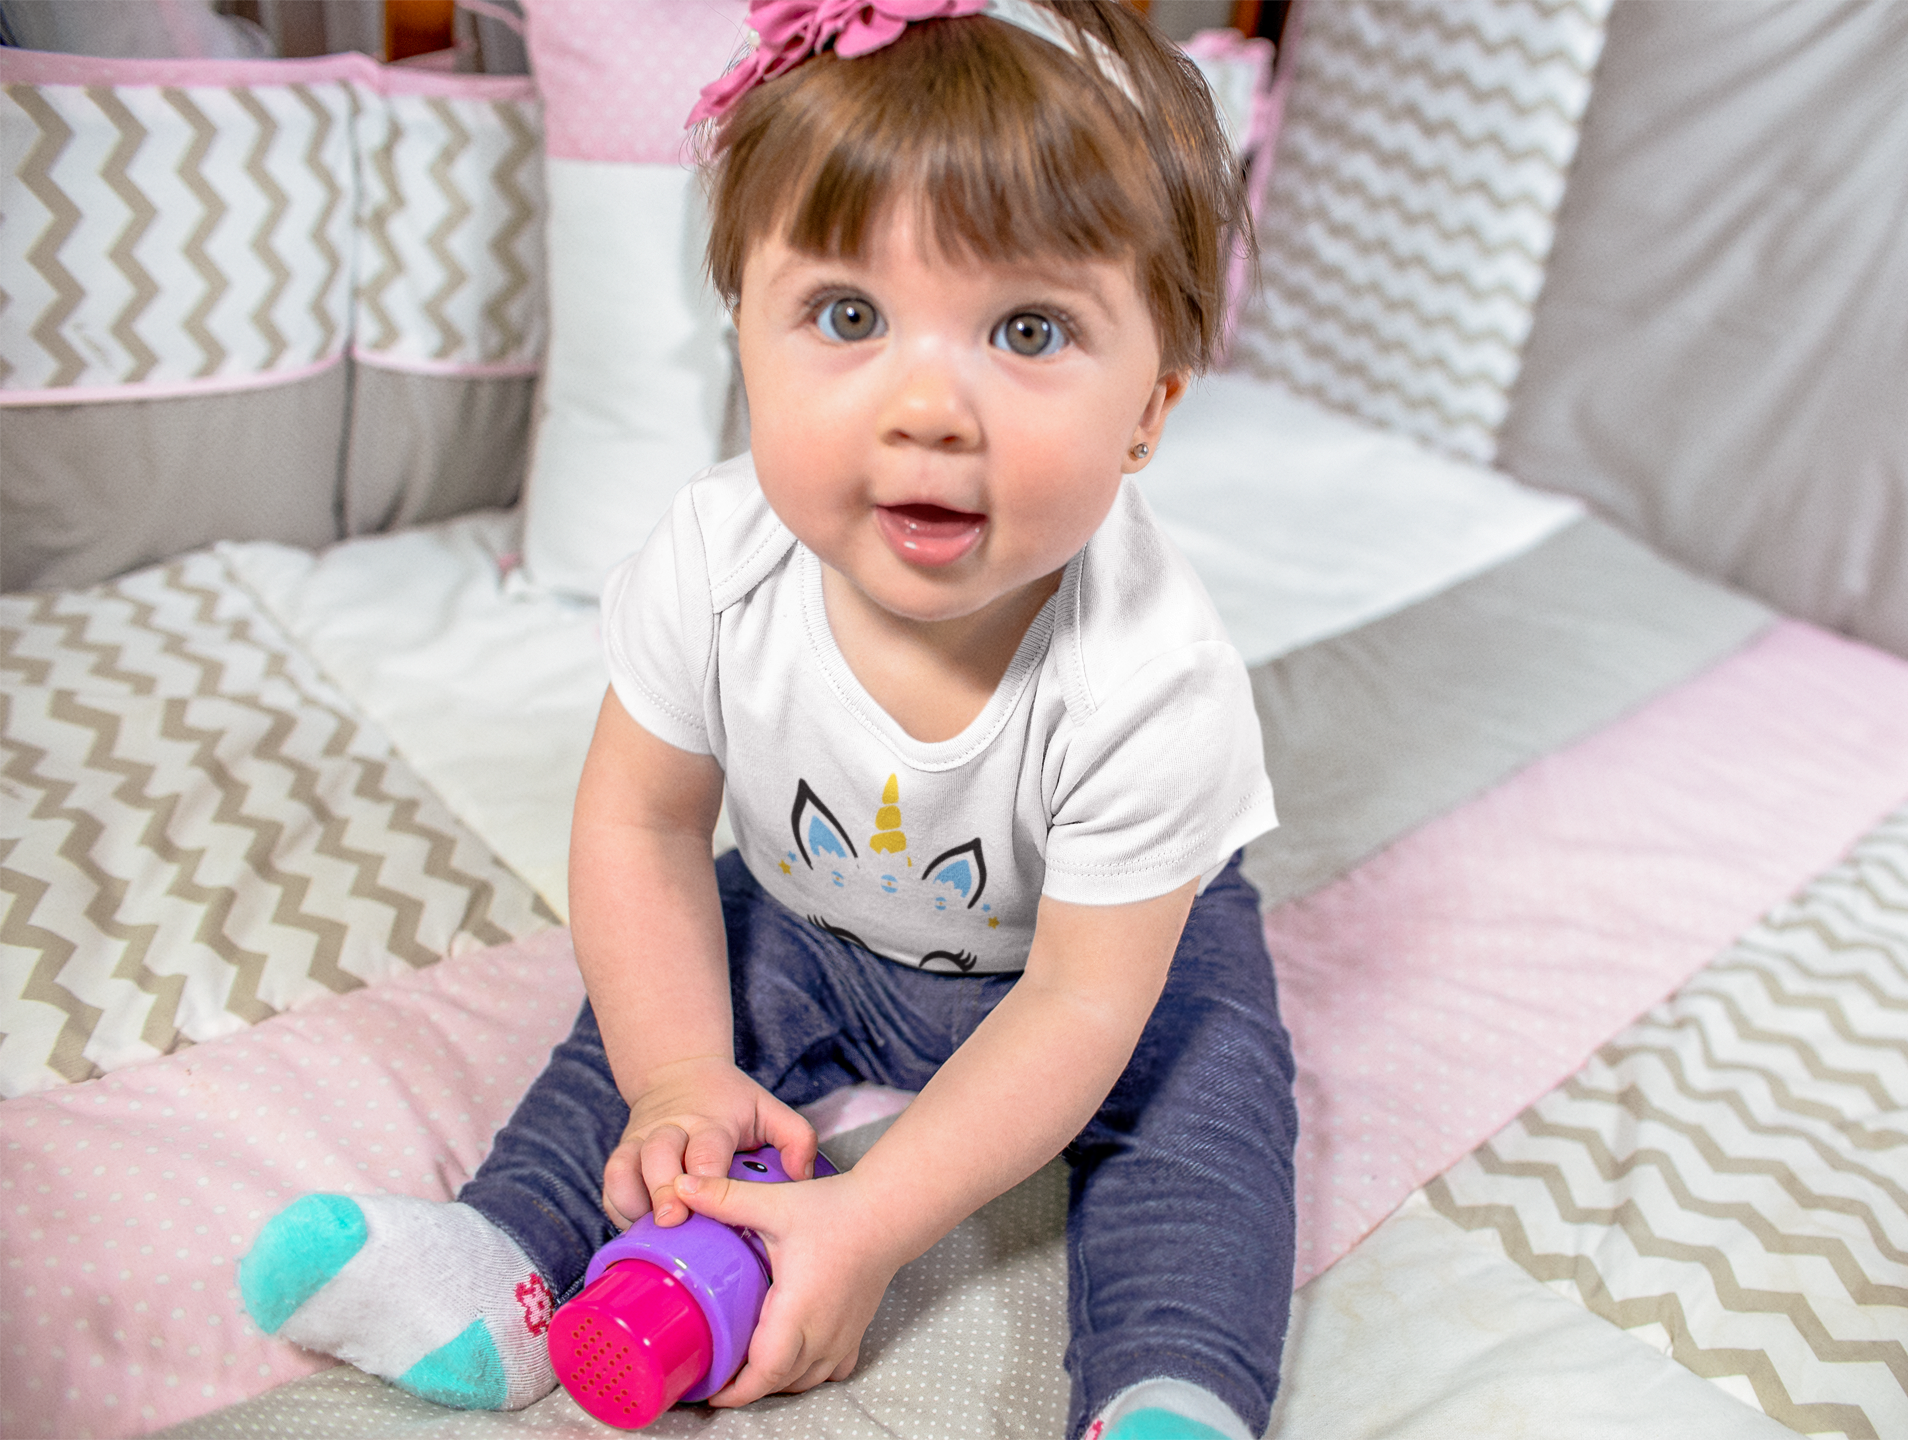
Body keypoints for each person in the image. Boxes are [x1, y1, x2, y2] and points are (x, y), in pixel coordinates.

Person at [236, 3, 1297, 1437]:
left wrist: (868, 1228)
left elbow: (1079, 1002)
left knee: (1211, 1107)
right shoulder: (714, 562)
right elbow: (642, 822)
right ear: (741, 333)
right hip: (817, 922)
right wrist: (680, 1073)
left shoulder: (1151, 674)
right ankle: (498, 1263)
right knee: (650, 995)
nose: (929, 406)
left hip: (1100, 966)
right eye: (848, 317)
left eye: (1029, 329)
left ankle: (1169, 1386)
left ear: (1150, 412)